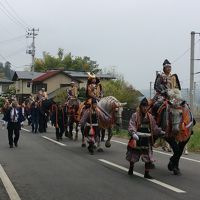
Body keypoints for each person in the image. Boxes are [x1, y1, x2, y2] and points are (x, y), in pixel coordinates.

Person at [126, 97, 165, 179]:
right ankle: (131, 168)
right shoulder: (135, 115)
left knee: (148, 157)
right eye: (143, 106)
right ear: (140, 107)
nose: (145, 108)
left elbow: (154, 127)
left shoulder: (150, 117)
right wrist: (133, 133)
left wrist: (161, 131)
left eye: (146, 106)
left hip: (146, 140)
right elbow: (131, 125)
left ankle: (146, 173)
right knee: (133, 156)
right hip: (137, 139)